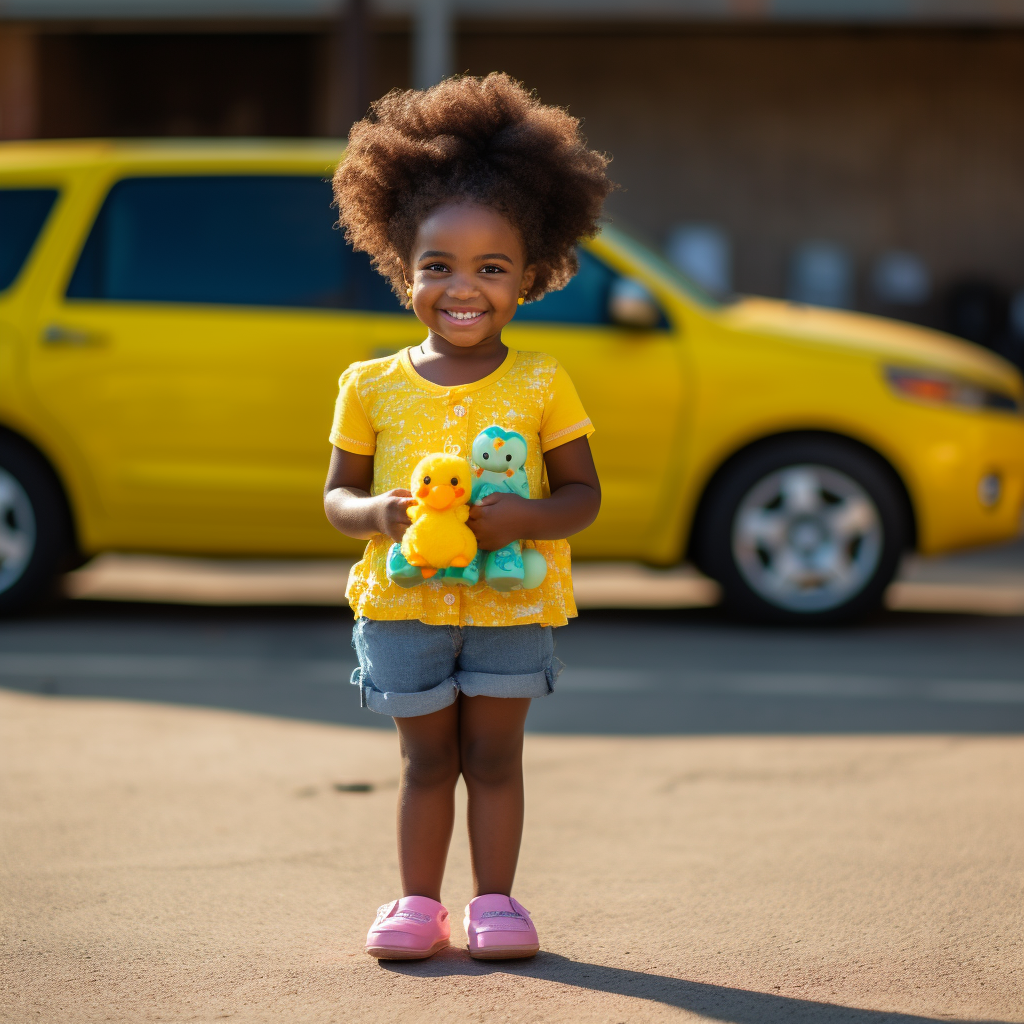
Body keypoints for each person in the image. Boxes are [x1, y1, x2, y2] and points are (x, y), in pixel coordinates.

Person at [324, 73, 611, 961]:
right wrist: (380, 511)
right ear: (401, 266)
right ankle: (417, 906)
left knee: (492, 759)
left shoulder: (542, 382)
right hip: (403, 603)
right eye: (437, 266)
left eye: (492, 269)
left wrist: (525, 515)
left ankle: (496, 904)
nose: (464, 288)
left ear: (531, 274)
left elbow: (583, 498)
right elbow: (336, 499)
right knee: (423, 764)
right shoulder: (368, 384)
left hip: (510, 607)